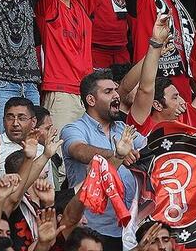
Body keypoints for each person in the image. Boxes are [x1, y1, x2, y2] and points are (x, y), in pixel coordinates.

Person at [60, 71, 145, 248]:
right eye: (108, 91)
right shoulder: (74, 129)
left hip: (128, 231)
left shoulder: (123, 128)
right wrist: (117, 155)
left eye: (115, 90)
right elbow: (79, 150)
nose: (116, 95)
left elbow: (149, 149)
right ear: (91, 100)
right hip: (92, 233)